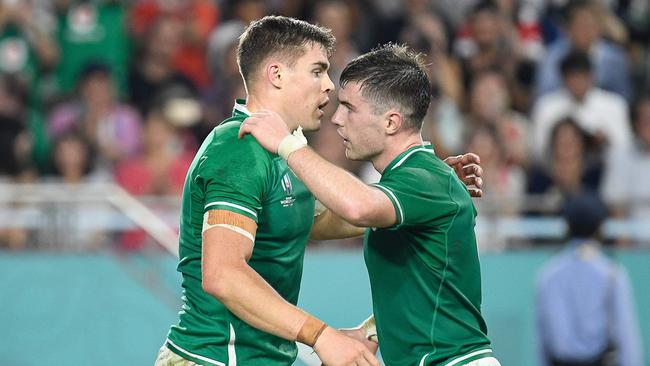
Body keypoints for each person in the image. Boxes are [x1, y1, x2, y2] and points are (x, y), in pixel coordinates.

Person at [157, 16, 484, 366]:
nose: (328, 86)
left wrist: (420, 199)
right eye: (317, 71)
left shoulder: (282, 151)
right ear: (277, 75)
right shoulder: (239, 147)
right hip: (215, 358)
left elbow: (314, 219)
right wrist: (321, 335)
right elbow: (223, 274)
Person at [240, 43, 498, 366]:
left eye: (349, 107)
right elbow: (430, 284)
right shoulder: (417, 181)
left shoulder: (425, 179)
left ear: (391, 123)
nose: (336, 118)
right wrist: (374, 331)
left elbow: (357, 207)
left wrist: (286, 143)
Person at [535, 193, 644, 366]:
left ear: (567, 226)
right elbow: (626, 338)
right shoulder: (612, 274)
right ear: (600, 228)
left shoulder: (548, 275)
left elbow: (542, 341)